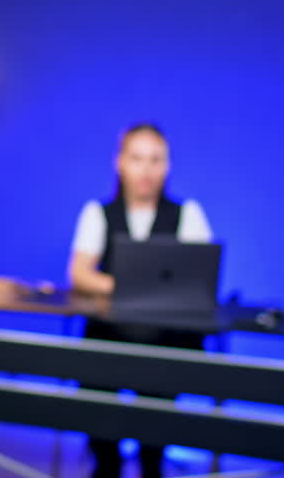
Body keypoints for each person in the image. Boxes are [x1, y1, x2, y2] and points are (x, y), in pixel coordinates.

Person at [67, 123, 213, 478]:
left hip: (165, 343)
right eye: (137, 159)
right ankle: (107, 462)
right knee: (99, 412)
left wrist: (126, 287)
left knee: (158, 417)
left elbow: (202, 278)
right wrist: (134, 287)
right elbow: (79, 273)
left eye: (155, 160)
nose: (146, 170)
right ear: (120, 162)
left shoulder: (187, 214)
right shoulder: (98, 213)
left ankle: (152, 461)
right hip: (109, 339)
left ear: (167, 166)